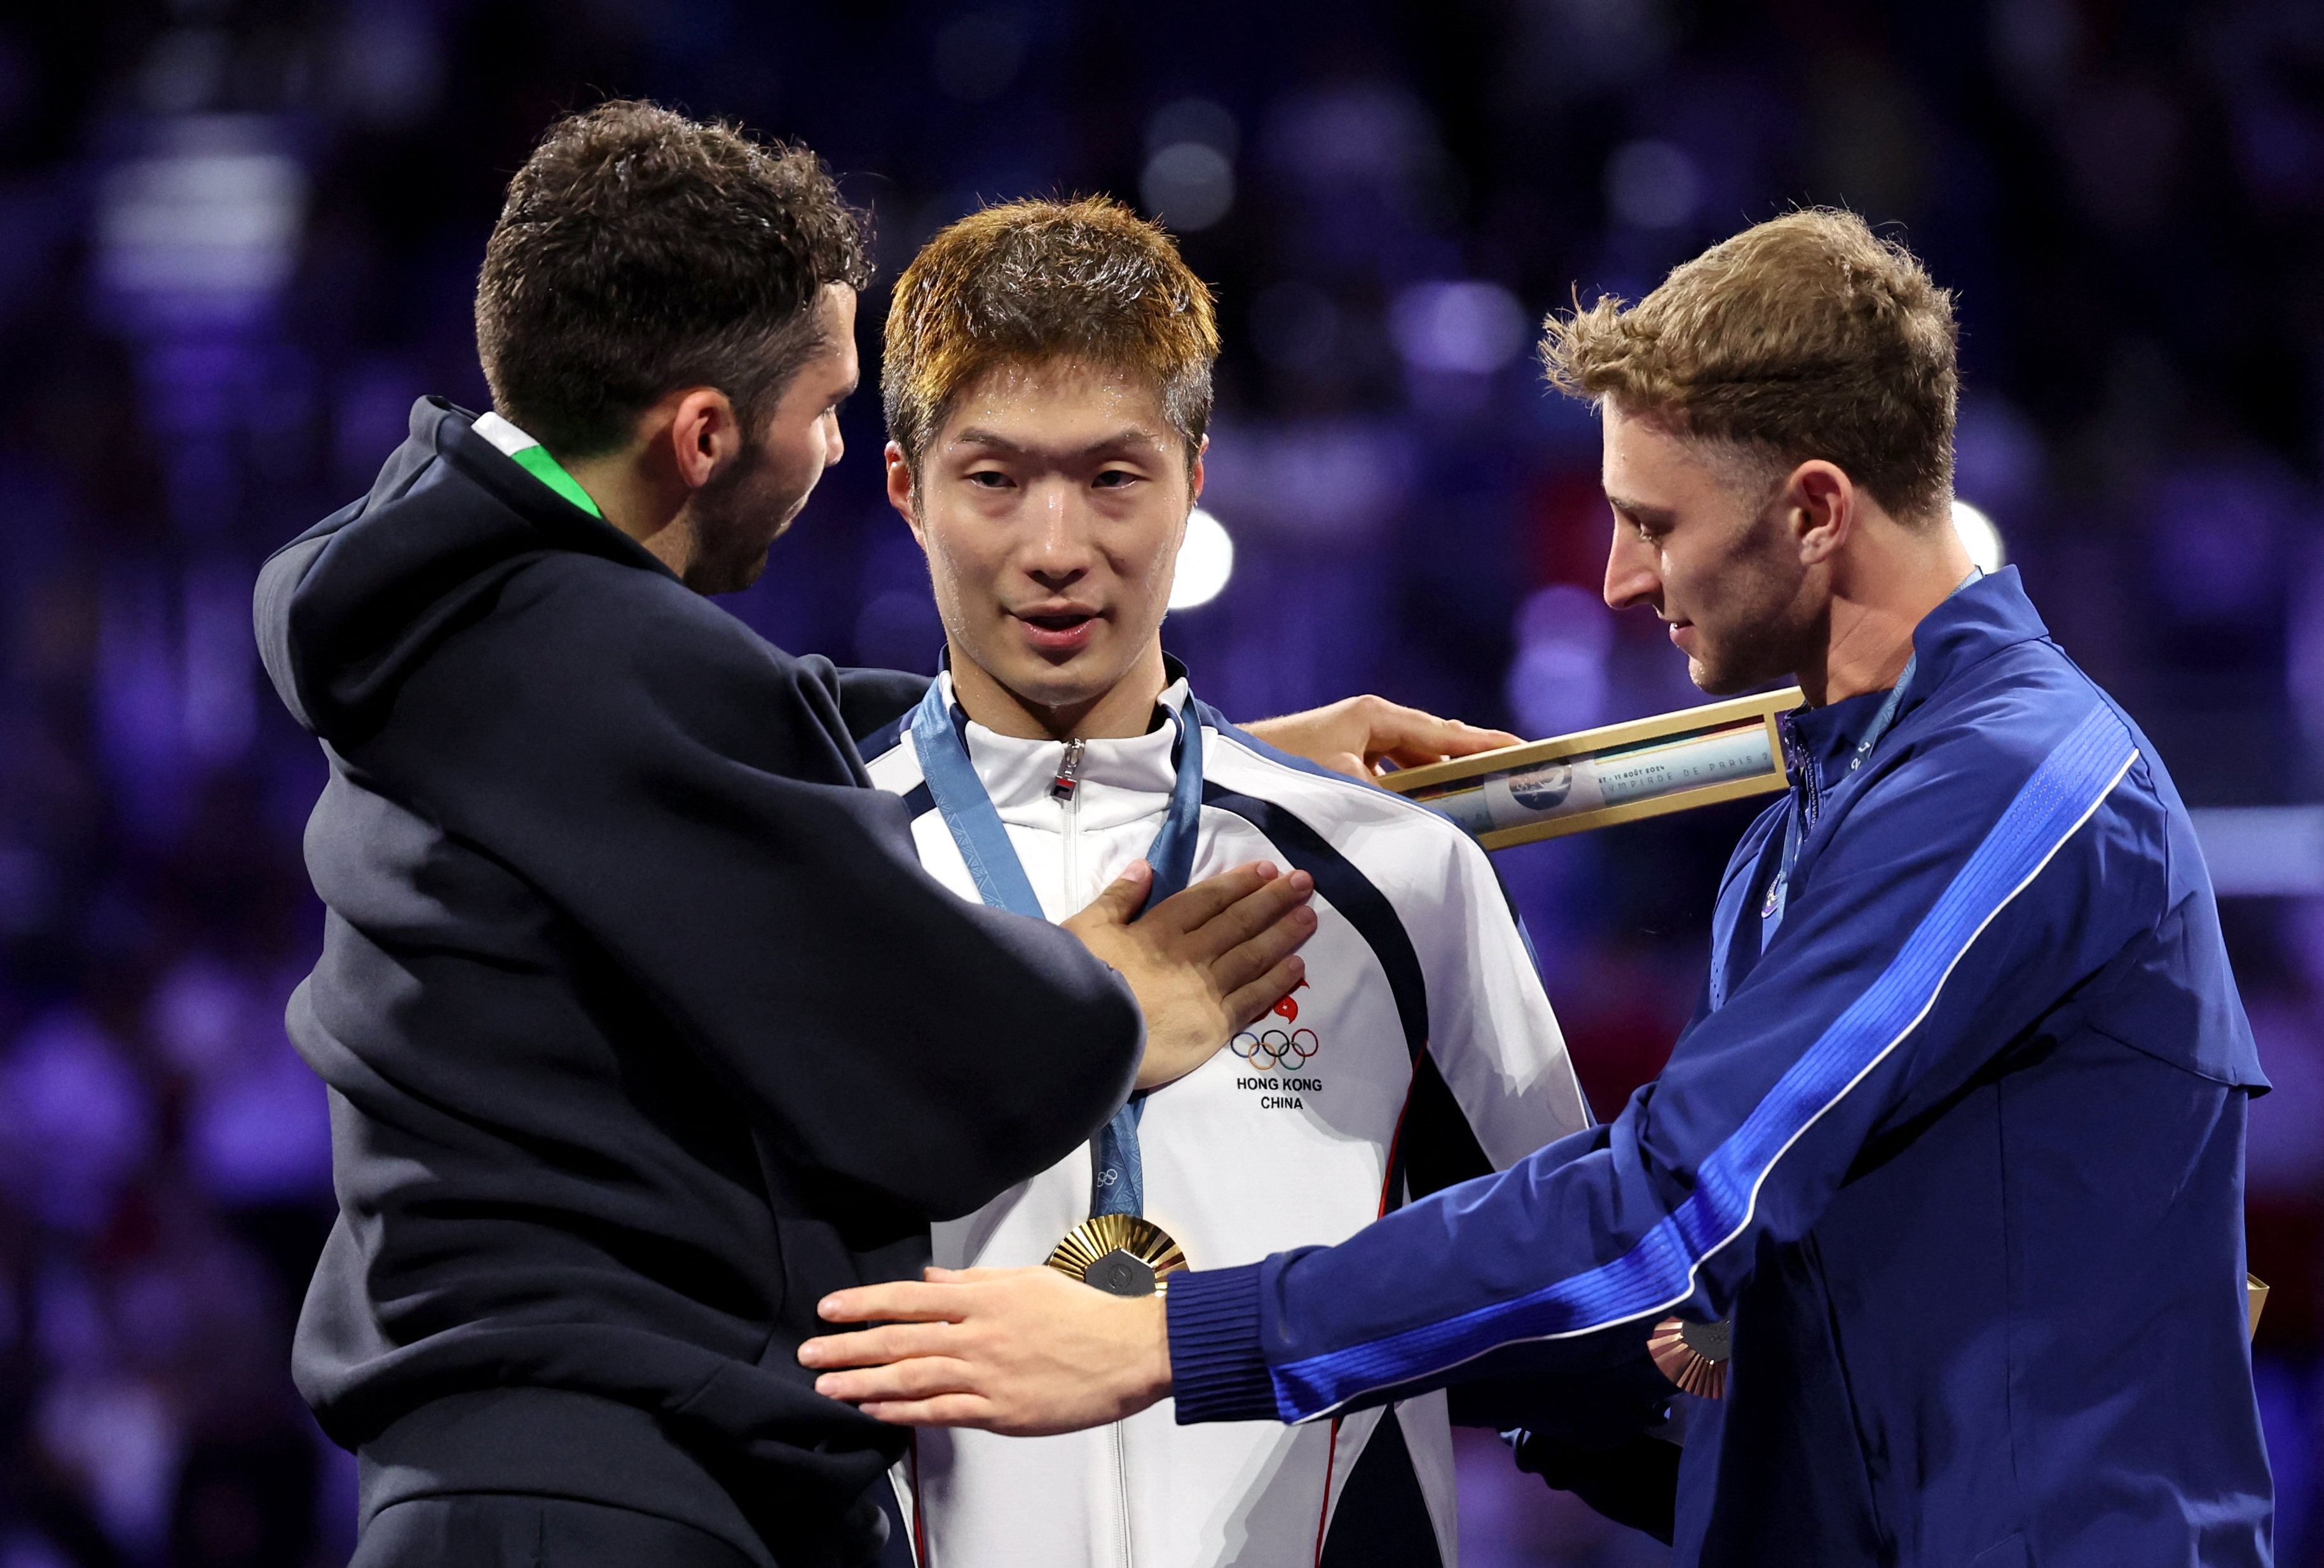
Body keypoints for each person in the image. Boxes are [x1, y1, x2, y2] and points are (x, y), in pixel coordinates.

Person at [801, 210, 2278, 1568]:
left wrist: (1169, 1341)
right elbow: (1681, 1348)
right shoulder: (1801, 833)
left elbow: (1653, 1216)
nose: (1623, 581)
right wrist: (1226, 768)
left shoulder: (2026, 779)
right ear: (911, 491)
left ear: (1816, 509)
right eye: (994, 478)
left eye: (1653, 520)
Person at [254, 101, 1500, 1568]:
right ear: (705, 435)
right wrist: (1110, 1001)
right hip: (594, 1502)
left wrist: (1201, 758)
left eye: (1111, 478)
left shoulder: (470, 622)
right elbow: (932, 1063)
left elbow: (777, 732)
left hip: (519, 1479)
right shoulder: (595, 654)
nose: (835, 449)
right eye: (826, 408)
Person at [858, 196, 1593, 1568]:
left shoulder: (1392, 876)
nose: (1057, 545)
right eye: (995, 478)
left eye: (1114, 476)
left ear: (1197, 473)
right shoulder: (814, 885)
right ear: (905, 488)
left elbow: (1577, 1296)